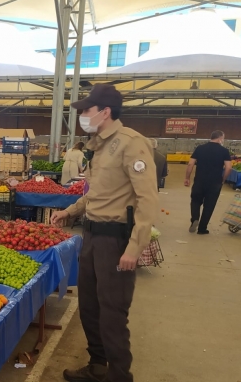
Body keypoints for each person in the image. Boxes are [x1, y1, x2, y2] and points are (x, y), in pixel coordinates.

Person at [50, 84, 158, 382]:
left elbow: (148, 199)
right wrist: (70, 211)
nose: (82, 116)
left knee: (112, 312)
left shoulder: (131, 144)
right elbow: (95, 193)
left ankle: (120, 375)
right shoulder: (98, 145)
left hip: (115, 239)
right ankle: (98, 366)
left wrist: (134, 248)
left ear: (105, 112)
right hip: (92, 236)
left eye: (86, 110)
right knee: (90, 307)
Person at [184, 130, 232, 235]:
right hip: (215, 183)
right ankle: (202, 228)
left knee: (195, 201)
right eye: (223, 138)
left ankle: (195, 219)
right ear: (220, 138)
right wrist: (223, 179)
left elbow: (190, 164)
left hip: (199, 181)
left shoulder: (200, 148)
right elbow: (228, 168)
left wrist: (187, 178)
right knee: (209, 205)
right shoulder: (224, 151)